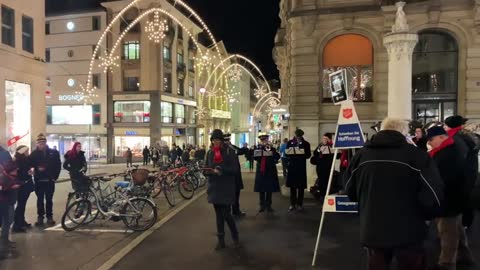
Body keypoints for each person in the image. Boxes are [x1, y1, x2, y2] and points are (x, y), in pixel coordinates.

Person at [344, 118, 444, 270]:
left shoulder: (361, 155)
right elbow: (432, 192)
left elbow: (349, 189)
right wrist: (428, 215)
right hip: (409, 230)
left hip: (373, 227)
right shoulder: (417, 156)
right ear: (405, 133)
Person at [426, 126, 474, 270]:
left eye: (431, 140)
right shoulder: (453, 148)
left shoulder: (447, 153)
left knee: (448, 231)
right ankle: (464, 256)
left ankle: (446, 264)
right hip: (457, 197)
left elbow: (443, 178)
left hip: (449, 198)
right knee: (456, 228)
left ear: (441, 137)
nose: (430, 144)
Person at [205, 129, 239, 250]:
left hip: (226, 187)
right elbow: (206, 169)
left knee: (226, 214)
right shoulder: (210, 153)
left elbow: (235, 170)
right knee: (218, 215)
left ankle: (235, 235)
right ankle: (221, 240)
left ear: (222, 141)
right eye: (214, 140)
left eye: (218, 140)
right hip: (214, 188)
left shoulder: (230, 152)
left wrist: (222, 170)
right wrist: (208, 172)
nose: (216, 143)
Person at [444, 115, 479, 230]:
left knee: (461, 198)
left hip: (462, 172)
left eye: (445, 125)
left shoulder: (455, 138)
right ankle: (466, 223)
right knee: (466, 197)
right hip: (470, 171)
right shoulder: (470, 136)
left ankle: (462, 224)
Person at [29, 134, 61, 227]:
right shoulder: (33, 154)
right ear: (37, 143)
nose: (41, 144)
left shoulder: (53, 152)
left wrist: (55, 177)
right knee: (39, 200)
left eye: (43, 142)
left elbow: (58, 165)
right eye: (39, 143)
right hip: (39, 180)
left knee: (49, 199)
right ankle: (40, 217)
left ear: (46, 143)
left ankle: (49, 217)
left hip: (50, 180)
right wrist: (34, 169)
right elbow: (29, 164)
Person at [285, 129, 312, 212]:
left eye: (299, 136)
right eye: (297, 136)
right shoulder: (290, 143)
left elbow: (308, 155)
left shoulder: (306, 144)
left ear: (301, 136)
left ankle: (300, 204)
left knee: (300, 187)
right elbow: (286, 153)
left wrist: (302, 153)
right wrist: (290, 153)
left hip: (301, 167)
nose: (298, 138)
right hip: (292, 167)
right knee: (292, 187)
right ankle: (292, 204)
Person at [0, 145, 19, 255]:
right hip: (5, 198)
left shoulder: (4, 153)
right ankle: (4, 243)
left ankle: (5, 241)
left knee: (8, 219)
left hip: (7, 197)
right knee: (7, 219)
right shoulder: (4, 154)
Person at [254, 134, 281, 213]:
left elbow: (277, 156)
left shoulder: (271, 148)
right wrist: (260, 151)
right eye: (263, 141)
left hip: (270, 171)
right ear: (261, 141)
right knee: (261, 189)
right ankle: (262, 205)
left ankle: (269, 205)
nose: (264, 142)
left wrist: (271, 151)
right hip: (261, 171)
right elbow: (255, 157)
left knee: (269, 189)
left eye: (265, 140)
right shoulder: (258, 148)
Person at [12, 146, 34, 233]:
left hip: (26, 185)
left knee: (22, 205)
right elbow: (17, 173)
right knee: (20, 205)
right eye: (27, 151)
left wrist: (29, 172)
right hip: (21, 186)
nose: (28, 152)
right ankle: (17, 225)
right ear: (22, 151)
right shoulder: (17, 160)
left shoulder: (24, 159)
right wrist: (27, 172)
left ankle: (21, 221)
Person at [224, 134, 246, 217]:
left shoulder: (232, 147)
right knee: (228, 194)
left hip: (236, 175)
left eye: (228, 140)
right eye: (226, 140)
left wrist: (245, 148)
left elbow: (240, 151)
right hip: (228, 176)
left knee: (236, 193)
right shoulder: (222, 150)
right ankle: (228, 211)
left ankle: (236, 210)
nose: (228, 142)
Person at [310, 133, 335, 199]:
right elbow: (315, 152)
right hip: (320, 166)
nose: (324, 140)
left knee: (328, 181)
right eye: (323, 138)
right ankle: (321, 195)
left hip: (329, 166)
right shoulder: (320, 145)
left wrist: (330, 145)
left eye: (326, 138)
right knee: (321, 180)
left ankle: (327, 195)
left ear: (329, 139)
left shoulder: (332, 145)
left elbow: (337, 155)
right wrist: (320, 147)